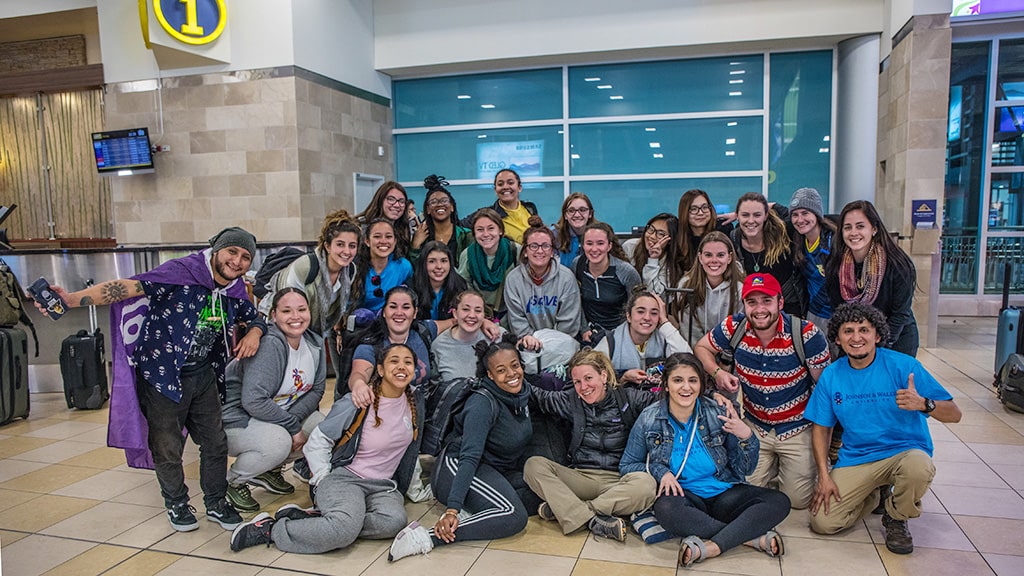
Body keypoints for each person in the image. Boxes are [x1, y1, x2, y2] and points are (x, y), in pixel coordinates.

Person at [40, 227, 267, 532]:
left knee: (215, 442)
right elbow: (125, 288)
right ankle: (176, 503)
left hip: (203, 375)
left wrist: (254, 331)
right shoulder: (180, 272)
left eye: (245, 257)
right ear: (216, 249)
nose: (237, 261)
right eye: (232, 252)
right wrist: (70, 299)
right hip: (162, 375)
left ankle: (215, 502)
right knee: (166, 446)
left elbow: (253, 315)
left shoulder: (234, 288)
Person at [229, 343, 425, 554]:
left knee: (394, 521)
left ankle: (321, 520)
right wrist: (322, 480)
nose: (401, 367)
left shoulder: (414, 401)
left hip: (382, 484)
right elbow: (317, 440)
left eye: (408, 362)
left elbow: (409, 452)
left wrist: (416, 489)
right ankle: (269, 529)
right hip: (345, 478)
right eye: (394, 361)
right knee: (343, 531)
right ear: (380, 369)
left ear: (415, 370)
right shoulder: (358, 401)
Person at [806, 303, 961, 554]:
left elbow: (955, 414)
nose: (857, 338)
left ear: (877, 335)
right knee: (823, 523)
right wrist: (824, 477)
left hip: (905, 452)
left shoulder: (904, 366)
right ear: (837, 338)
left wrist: (924, 404)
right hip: (858, 458)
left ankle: (896, 517)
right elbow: (821, 429)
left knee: (918, 468)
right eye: (848, 331)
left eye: (864, 330)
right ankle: (876, 494)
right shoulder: (832, 375)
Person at [619, 353, 790, 568]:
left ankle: (711, 546)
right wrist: (662, 473)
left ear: (701, 384)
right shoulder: (650, 418)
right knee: (666, 510)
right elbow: (628, 465)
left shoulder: (717, 412)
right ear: (666, 385)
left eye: (693, 380)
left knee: (780, 501)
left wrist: (747, 437)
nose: (686, 388)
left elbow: (745, 469)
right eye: (677, 380)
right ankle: (746, 537)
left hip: (723, 491)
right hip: (684, 497)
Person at [387, 336, 540, 562]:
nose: (511, 374)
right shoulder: (482, 403)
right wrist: (453, 509)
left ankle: (478, 512)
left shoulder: (522, 394)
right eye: (501, 370)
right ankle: (425, 537)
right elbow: (470, 456)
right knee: (514, 516)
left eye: (515, 365)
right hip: (458, 468)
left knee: (537, 494)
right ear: (489, 375)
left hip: (492, 469)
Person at [694, 272, 830, 509]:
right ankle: (775, 465)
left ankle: (801, 464)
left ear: (780, 302)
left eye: (767, 301)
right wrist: (718, 372)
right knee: (747, 491)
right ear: (744, 305)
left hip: (797, 427)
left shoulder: (806, 334)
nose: (759, 309)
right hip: (756, 426)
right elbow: (702, 346)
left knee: (797, 502)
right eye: (752, 302)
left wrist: (822, 447)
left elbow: (826, 391)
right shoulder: (733, 326)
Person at [524, 349, 657, 540]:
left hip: (619, 480)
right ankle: (594, 519)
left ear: (603, 376)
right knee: (533, 465)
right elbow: (537, 396)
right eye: (577, 381)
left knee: (647, 485)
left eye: (588, 378)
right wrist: (508, 375)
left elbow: (664, 402)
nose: (583, 387)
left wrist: (711, 395)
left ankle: (574, 511)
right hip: (581, 476)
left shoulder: (629, 398)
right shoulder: (570, 401)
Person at [222, 288, 326, 512]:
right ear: (274, 315)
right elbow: (253, 400)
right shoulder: (270, 344)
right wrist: (291, 426)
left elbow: (317, 390)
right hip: (237, 419)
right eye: (286, 311)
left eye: (301, 309)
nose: (295, 317)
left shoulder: (314, 343)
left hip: (274, 416)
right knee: (279, 442)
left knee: (322, 428)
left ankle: (269, 469)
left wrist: (294, 423)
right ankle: (232, 482)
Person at [259, 209, 360, 378]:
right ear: (327, 246)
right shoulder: (305, 267)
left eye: (352, 245)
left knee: (309, 382)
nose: (347, 251)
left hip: (314, 333)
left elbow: (332, 310)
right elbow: (285, 311)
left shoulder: (350, 270)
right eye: (340, 244)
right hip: (282, 331)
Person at [825, 200, 919, 357]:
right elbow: (837, 310)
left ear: (874, 229)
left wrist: (878, 347)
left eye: (860, 226)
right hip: (855, 342)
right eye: (848, 227)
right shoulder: (835, 265)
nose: (853, 232)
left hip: (895, 340)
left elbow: (900, 313)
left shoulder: (898, 264)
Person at [504, 219, 584, 351]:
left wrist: (549, 344)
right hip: (528, 345)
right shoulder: (513, 279)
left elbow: (569, 323)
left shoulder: (566, 278)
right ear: (525, 251)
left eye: (546, 246)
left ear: (552, 251)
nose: (540, 251)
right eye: (534, 246)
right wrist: (532, 342)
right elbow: (517, 320)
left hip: (562, 346)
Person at [594, 288, 691, 386]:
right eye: (640, 312)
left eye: (654, 313)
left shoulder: (665, 339)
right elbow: (593, 378)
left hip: (658, 398)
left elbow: (688, 361)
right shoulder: (610, 342)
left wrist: (664, 322)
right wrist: (623, 377)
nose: (647, 318)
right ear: (629, 316)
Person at [731, 193, 804, 316]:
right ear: (737, 216)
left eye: (757, 215)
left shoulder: (783, 232)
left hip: (788, 308)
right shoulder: (734, 239)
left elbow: (792, 215)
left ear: (766, 215)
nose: (751, 220)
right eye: (745, 215)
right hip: (755, 311)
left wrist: (773, 204)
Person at [674, 231, 744, 347]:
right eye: (708, 255)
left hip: (728, 355)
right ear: (700, 258)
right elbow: (688, 331)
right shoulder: (685, 285)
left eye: (720, 255)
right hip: (694, 352)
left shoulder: (740, 289)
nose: (714, 260)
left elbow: (739, 331)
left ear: (729, 258)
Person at [573, 222, 641, 340]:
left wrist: (625, 335)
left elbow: (637, 307)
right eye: (589, 243)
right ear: (583, 246)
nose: (594, 249)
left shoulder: (626, 271)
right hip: (589, 333)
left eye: (600, 243)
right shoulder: (577, 265)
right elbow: (575, 302)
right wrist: (584, 329)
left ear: (609, 246)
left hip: (620, 333)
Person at [456, 208, 520, 319]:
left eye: (491, 228)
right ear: (474, 233)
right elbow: (464, 289)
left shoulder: (516, 251)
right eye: (480, 230)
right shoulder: (467, 255)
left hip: (511, 316)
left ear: (500, 230)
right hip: (479, 318)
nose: (486, 234)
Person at [431, 289, 506, 383]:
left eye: (478, 311)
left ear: (483, 315)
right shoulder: (439, 346)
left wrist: (527, 341)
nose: (472, 315)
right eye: (466, 309)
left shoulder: (497, 335)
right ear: (455, 313)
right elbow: (434, 388)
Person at [789, 187, 836, 334]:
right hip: (813, 314)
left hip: (837, 316)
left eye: (805, 213)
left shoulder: (834, 242)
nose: (800, 220)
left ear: (817, 214)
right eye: (795, 215)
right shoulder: (798, 243)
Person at [348, 218, 413, 314]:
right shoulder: (354, 267)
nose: (383, 241)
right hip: (360, 323)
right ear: (367, 241)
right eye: (377, 236)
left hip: (393, 321)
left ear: (395, 241)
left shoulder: (404, 266)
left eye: (388, 236)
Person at [410, 175, 471, 263]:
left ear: (452, 207)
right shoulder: (422, 237)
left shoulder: (466, 235)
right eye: (433, 202)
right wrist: (415, 246)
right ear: (428, 210)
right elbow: (417, 269)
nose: (439, 204)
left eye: (444, 200)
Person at [470, 168, 538, 244]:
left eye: (510, 183)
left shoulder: (530, 208)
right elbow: (459, 226)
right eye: (500, 184)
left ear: (519, 188)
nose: (505, 187)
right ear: (495, 190)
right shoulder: (489, 214)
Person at [623, 212, 680, 300]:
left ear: (670, 240)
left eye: (661, 234)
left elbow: (654, 296)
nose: (652, 236)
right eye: (651, 229)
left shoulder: (671, 263)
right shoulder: (629, 247)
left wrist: (653, 260)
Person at [411, 241, 468, 321]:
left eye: (444, 261)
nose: (439, 266)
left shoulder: (459, 285)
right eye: (432, 261)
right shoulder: (412, 286)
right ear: (423, 264)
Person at [355, 181, 413, 259]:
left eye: (401, 201)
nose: (397, 205)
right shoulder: (359, 227)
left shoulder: (405, 229)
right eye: (391, 199)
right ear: (380, 200)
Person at [676, 189, 722, 276]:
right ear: (684, 212)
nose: (700, 213)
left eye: (704, 207)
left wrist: (737, 215)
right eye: (694, 209)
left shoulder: (722, 229)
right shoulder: (677, 236)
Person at [553, 193, 595, 268]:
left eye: (582, 210)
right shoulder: (553, 235)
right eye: (571, 211)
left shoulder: (600, 234)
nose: (577, 215)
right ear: (565, 215)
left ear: (590, 214)